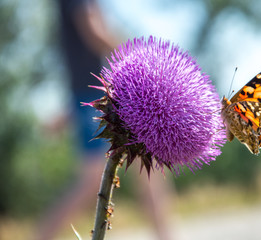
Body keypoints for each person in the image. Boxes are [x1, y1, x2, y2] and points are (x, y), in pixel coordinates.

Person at [36, 1, 173, 239]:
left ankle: (166, 234)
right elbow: (93, 31)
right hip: (94, 94)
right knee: (93, 179)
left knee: (148, 168)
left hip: (104, 91)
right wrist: (140, 59)